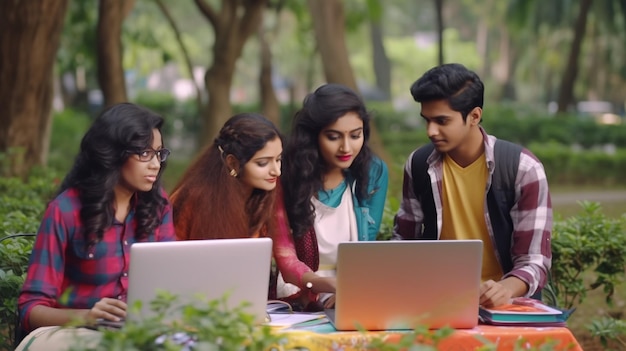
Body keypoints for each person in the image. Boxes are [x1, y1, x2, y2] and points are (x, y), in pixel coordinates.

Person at [16, 103, 176, 350]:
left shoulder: (157, 205)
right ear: (113, 153)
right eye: (144, 154)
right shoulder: (66, 211)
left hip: (140, 331)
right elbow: (31, 309)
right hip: (74, 333)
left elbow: (170, 282)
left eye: (159, 153)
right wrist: (88, 316)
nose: (155, 164)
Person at [392, 63, 552, 308]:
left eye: (442, 121)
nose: (430, 131)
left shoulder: (523, 168)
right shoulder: (418, 164)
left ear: (474, 116)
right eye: (426, 120)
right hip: (435, 302)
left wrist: (505, 290)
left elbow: (534, 261)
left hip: (505, 306)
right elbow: (403, 243)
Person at [274, 83, 389, 310]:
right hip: (298, 287)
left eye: (355, 135)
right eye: (334, 137)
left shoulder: (372, 171)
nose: (346, 147)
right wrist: (318, 287)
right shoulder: (287, 172)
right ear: (313, 136)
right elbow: (285, 254)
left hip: (352, 287)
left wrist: (350, 289)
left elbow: (366, 246)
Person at [169, 113, 282, 240]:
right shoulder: (193, 198)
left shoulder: (265, 195)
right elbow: (170, 252)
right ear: (232, 163)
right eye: (263, 163)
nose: (277, 172)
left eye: (278, 159)